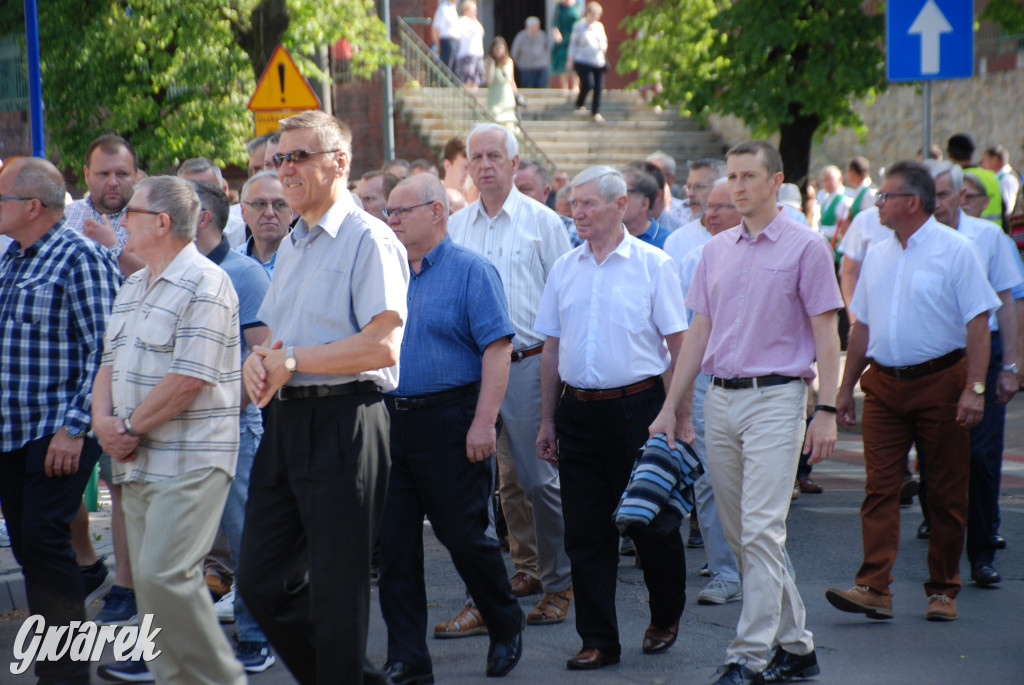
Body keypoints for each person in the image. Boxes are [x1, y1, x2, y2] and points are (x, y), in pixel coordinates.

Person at [650, 140, 842, 685]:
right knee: (742, 534)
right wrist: (672, 408)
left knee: (760, 529)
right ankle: (797, 645)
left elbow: (828, 333)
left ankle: (748, 656)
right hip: (720, 398)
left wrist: (825, 409)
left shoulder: (807, 247)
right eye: (731, 176)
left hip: (778, 398)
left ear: (775, 180)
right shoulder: (717, 250)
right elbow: (697, 335)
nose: (737, 186)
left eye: (748, 176)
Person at [237, 111, 409, 685]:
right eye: (279, 158)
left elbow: (382, 347)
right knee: (260, 582)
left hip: (347, 418)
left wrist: (292, 361)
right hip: (288, 424)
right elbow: (282, 342)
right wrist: (257, 367)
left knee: (339, 593)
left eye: (299, 156)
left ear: (340, 162)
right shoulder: (292, 245)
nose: (285, 168)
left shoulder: (370, 238)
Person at [826, 161, 999, 624]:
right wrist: (846, 389)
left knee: (945, 492)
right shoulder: (879, 254)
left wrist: (975, 389)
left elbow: (979, 324)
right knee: (879, 488)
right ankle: (873, 587)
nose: (877, 203)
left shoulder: (956, 250)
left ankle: (943, 589)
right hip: (883, 386)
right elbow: (861, 326)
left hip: (942, 383)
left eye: (885, 196)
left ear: (912, 202)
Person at [92, 175, 244, 684]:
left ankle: (226, 678)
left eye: (130, 213)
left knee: (166, 577)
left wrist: (127, 426)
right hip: (137, 461)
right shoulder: (134, 284)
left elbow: (189, 379)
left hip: (191, 457)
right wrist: (102, 424)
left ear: (161, 222)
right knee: (153, 595)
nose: (121, 221)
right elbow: (109, 363)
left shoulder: (207, 282)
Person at [535, 165, 688, 670]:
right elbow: (551, 350)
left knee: (653, 526)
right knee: (583, 530)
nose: (576, 212)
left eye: (587, 204)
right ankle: (598, 638)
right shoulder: (564, 268)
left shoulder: (653, 265)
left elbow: (678, 345)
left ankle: (665, 615)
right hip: (577, 410)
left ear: (619, 205)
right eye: (572, 204)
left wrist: (678, 419)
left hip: (639, 410)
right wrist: (547, 421)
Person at [378, 174, 524, 684]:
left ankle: (505, 620)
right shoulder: (384, 272)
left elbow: (498, 349)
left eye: (400, 212)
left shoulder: (471, 272)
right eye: (388, 213)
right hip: (391, 423)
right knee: (394, 548)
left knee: (465, 538)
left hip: (452, 420)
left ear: (436, 212)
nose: (389, 221)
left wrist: (484, 422)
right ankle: (407, 659)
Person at [446, 122, 574, 635]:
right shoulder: (456, 227)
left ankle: (560, 583)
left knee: (540, 479)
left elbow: (566, 303)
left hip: (528, 365)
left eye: (494, 155)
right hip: (472, 373)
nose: (484, 165)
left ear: (515, 164)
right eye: (475, 156)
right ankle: (518, 573)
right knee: (493, 486)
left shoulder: (544, 224)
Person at [0, 157, 120, 685]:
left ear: (31, 206)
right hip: (13, 428)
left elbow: (107, 351)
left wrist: (75, 428)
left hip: (58, 429)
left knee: (46, 539)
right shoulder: (13, 259)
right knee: (32, 547)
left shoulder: (81, 258)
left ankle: (67, 674)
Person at [921, 160, 1022, 586]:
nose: (937, 203)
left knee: (980, 454)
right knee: (934, 454)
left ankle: (981, 551)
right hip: (936, 356)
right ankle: (940, 535)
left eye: (944, 194)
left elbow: (1010, 302)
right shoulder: (916, 240)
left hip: (985, 351)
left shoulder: (987, 237)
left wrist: (1012, 367)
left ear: (962, 195)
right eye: (931, 195)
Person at [191, 180, 276, 672]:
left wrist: (225, 408)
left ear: (200, 216)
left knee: (245, 535)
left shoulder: (243, 274)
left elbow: (265, 357)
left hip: (233, 428)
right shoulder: (179, 272)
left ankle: (256, 633)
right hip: (181, 428)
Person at [673, 180, 744, 607]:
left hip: (765, 386)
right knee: (710, 479)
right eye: (706, 208)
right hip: (707, 382)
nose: (709, 215)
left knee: (756, 482)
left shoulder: (788, 249)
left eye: (720, 207)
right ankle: (725, 572)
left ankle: (761, 565)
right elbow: (684, 334)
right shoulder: (695, 259)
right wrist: (675, 402)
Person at [65, 134, 145, 275]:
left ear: (136, 175)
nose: (113, 182)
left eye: (122, 174)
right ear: (87, 174)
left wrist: (114, 248)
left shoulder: (154, 219)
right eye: (103, 174)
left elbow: (158, 275)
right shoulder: (63, 217)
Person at [177, 157, 247, 248]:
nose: (199, 199)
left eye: (208, 190)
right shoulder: (168, 235)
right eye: (191, 191)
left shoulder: (242, 231)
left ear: (223, 191)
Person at [236, 170, 293, 277]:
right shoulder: (231, 264)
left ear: (291, 211)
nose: (269, 213)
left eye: (279, 204)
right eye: (260, 204)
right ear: (243, 212)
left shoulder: (309, 258)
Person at [569, 2, 608, 124]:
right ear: (588, 13)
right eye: (594, 14)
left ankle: (596, 111)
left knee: (598, 87)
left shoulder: (599, 27)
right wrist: (570, 59)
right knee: (588, 83)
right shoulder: (579, 26)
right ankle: (579, 102)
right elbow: (573, 44)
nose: (596, 18)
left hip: (598, 60)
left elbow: (604, 41)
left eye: (598, 15)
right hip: (582, 60)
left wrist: (603, 47)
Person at [621, 166, 669, 248]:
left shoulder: (667, 241)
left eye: (624, 193)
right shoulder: (604, 238)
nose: (616, 201)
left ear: (644, 204)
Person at [486, 37, 519, 128]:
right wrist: (493, 63)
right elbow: (489, 80)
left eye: (501, 48)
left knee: (509, 123)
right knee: (495, 121)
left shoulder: (509, 61)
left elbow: (512, 80)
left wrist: (516, 95)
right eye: (497, 48)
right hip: (495, 95)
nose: (499, 51)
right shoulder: (489, 62)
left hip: (507, 96)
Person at [550, 0, 581, 92]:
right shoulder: (559, 7)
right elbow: (555, 23)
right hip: (563, 38)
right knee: (562, 61)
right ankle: (565, 86)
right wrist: (556, 33)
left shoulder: (577, 5)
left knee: (576, 61)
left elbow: (581, 20)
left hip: (575, 38)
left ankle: (575, 86)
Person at [511, 16, 549, 88]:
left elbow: (546, 48)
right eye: (533, 26)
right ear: (527, 27)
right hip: (526, 68)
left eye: (536, 26)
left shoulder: (542, 36)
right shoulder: (520, 37)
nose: (535, 28)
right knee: (528, 89)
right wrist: (519, 65)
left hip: (541, 67)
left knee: (542, 88)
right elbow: (514, 53)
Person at [981, 144, 1019, 215]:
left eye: (985, 160)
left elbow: (1007, 208)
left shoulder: (1007, 178)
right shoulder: (999, 177)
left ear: (994, 160)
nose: (983, 164)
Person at [457, 1, 487, 88]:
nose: (475, 12)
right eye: (473, 9)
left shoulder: (475, 22)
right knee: (468, 78)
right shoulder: (462, 21)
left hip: (478, 54)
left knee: (476, 79)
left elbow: (482, 32)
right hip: (468, 54)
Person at [431, 0, 461, 72]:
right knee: (446, 68)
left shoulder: (453, 8)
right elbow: (436, 28)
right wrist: (437, 46)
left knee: (455, 69)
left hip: (455, 42)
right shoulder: (444, 8)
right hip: (447, 42)